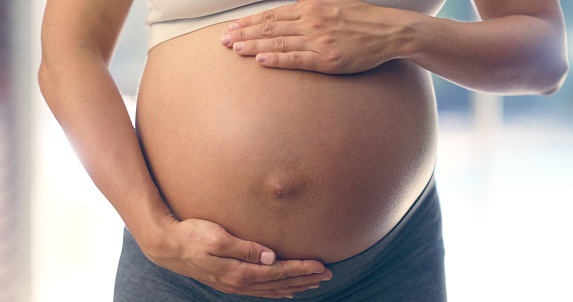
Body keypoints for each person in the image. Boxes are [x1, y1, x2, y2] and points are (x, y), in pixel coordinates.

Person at [38, 0, 568, 300]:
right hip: (183, 270)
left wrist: (406, 33)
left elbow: (545, 57)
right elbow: (68, 52)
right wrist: (153, 229)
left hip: (383, 270)